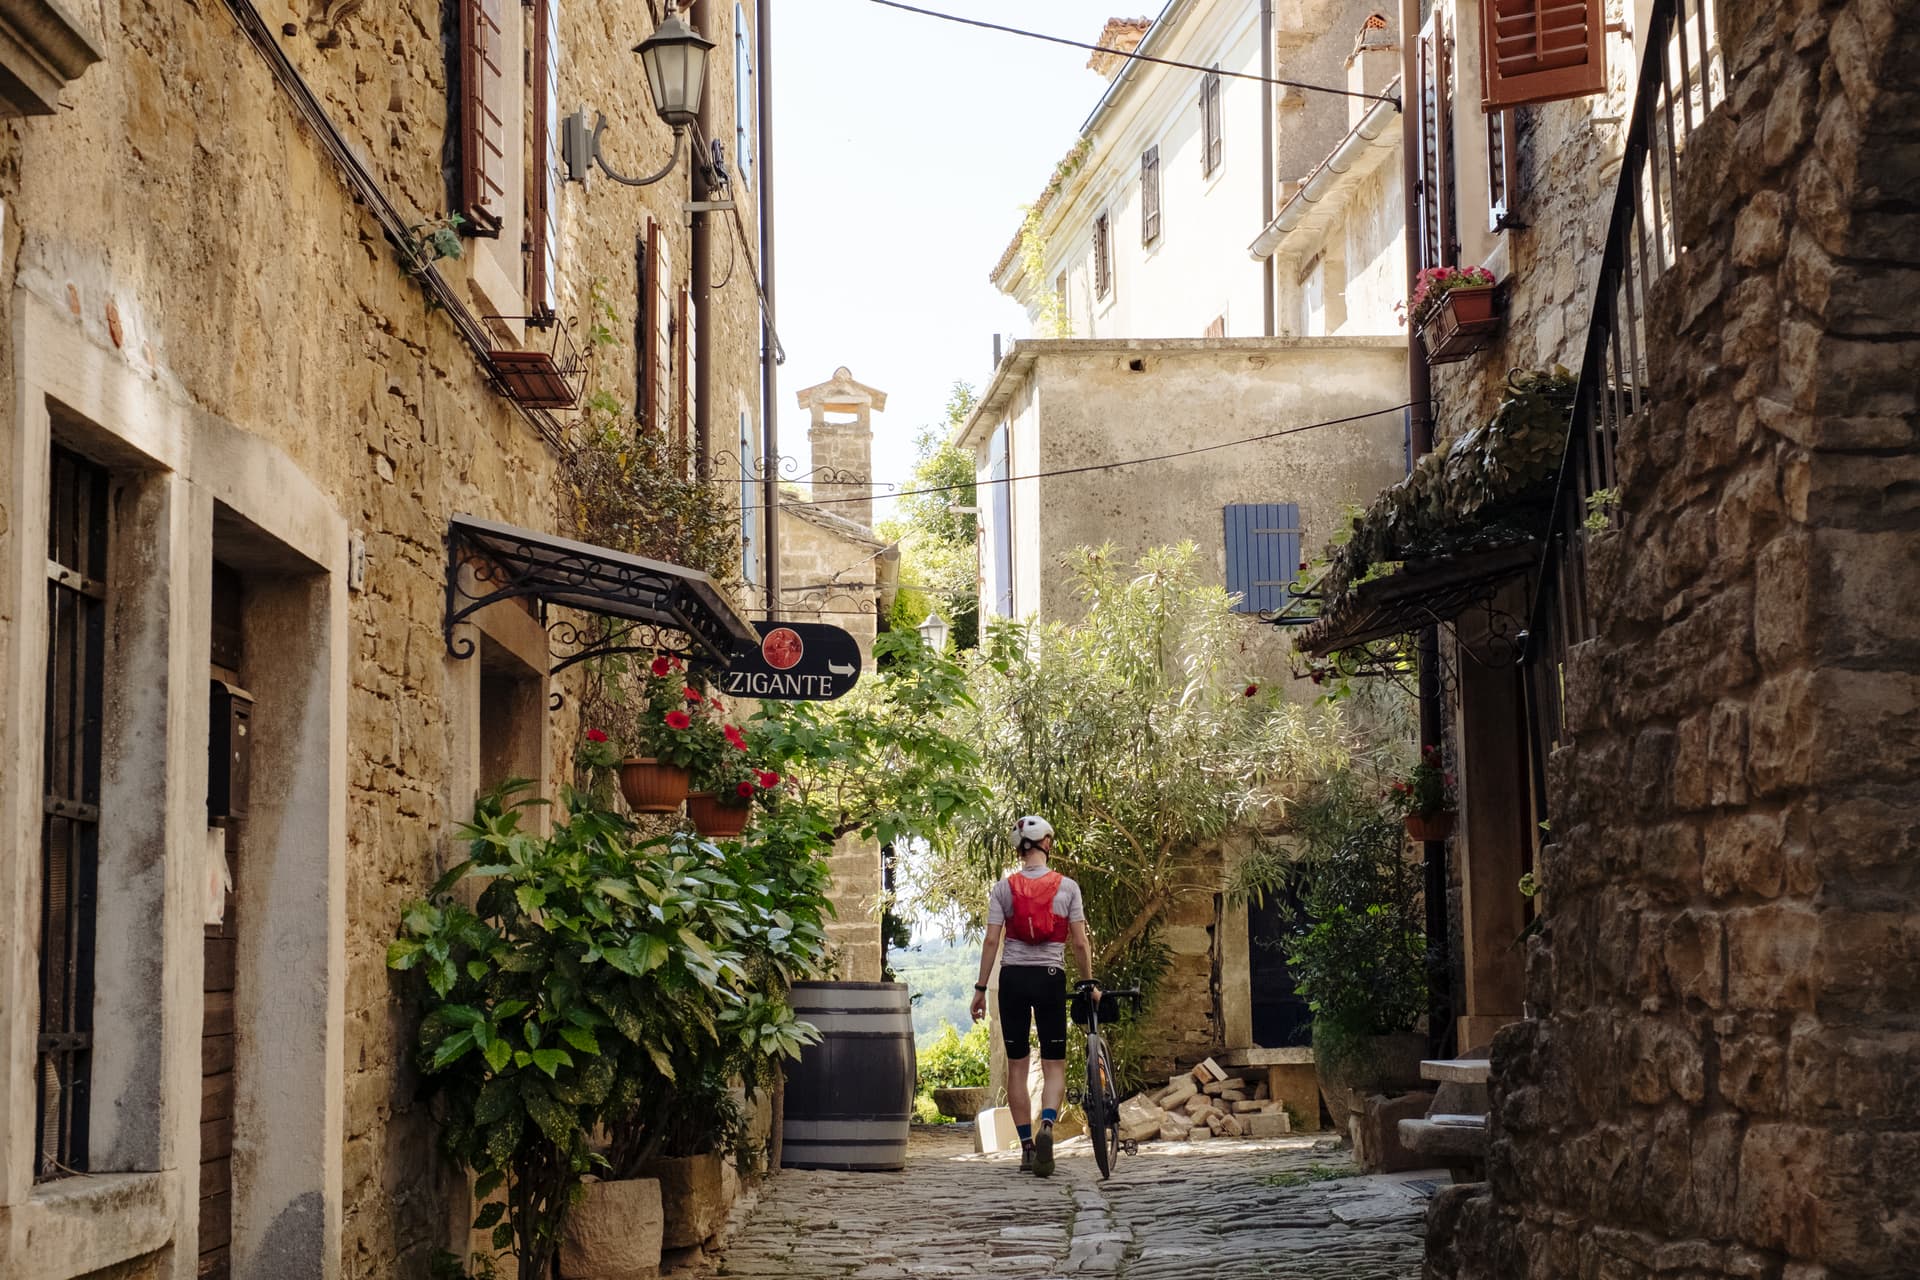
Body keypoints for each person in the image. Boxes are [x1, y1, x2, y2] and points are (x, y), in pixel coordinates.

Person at [969, 815, 1099, 1177]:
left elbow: (992, 941)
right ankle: (1046, 1127)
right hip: (1049, 977)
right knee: (1053, 1064)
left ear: (1020, 848)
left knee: (1018, 1065)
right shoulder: (1068, 887)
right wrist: (1088, 983)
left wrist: (981, 989)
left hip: (1011, 979)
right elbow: (1079, 942)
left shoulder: (1003, 889)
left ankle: (1026, 1147)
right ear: (1047, 843)